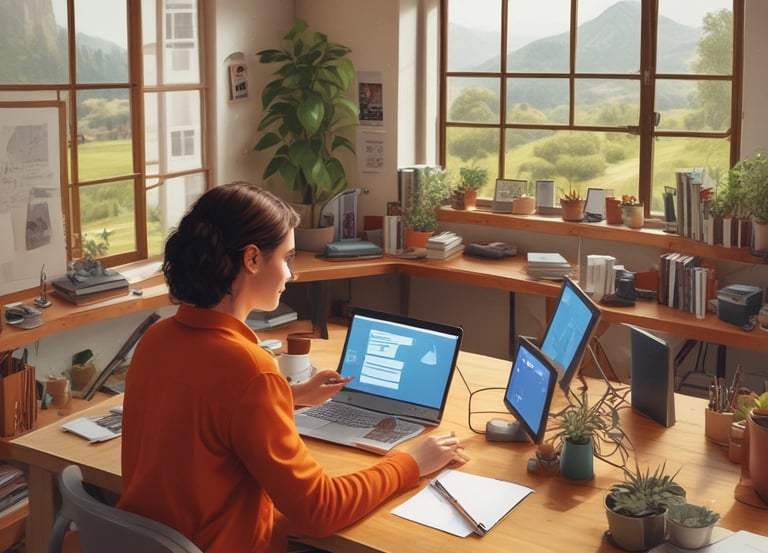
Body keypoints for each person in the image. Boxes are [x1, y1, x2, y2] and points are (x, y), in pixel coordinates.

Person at [117, 182, 469, 553]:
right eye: (286, 258)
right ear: (251, 259)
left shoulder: (157, 339)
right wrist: (410, 462)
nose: (290, 274)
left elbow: (206, 418)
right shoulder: (250, 370)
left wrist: (290, 396)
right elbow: (319, 510)